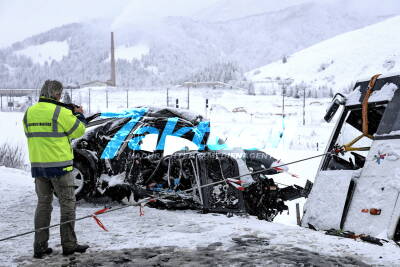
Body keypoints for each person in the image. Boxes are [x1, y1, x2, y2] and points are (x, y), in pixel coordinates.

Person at [23, 80, 89, 258]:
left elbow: (29, 133)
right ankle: (69, 245)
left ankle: (40, 247)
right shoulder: (59, 112)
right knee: (67, 205)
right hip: (60, 167)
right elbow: (79, 130)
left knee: (43, 206)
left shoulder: (29, 112)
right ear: (57, 94)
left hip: (38, 168)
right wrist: (79, 114)